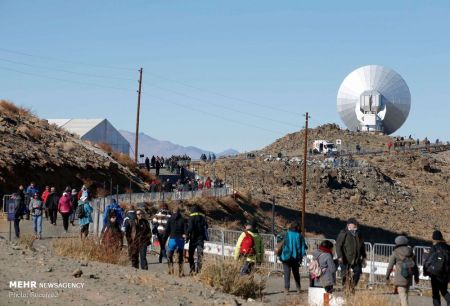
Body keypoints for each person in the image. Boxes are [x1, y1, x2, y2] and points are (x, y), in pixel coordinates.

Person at [385, 236, 419, 306]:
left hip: (400, 278)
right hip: (409, 277)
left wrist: (387, 276)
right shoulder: (411, 252)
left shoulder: (395, 252)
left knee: (403, 297)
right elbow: (415, 266)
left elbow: (390, 266)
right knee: (404, 296)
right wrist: (416, 277)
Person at [335, 218, 366, 291]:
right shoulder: (344, 233)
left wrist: (363, 255)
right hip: (345, 258)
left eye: (356, 224)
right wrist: (340, 256)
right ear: (348, 225)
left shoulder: (358, 234)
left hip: (356, 259)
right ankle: (346, 288)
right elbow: (338, 245)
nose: (355, 225)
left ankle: (352, 286)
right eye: (354, 224)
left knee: (358, 272)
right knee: (345, 274)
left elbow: (362, 245)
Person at [279, 222, 307, 294]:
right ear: (297, 228)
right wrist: (301, 257)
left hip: (286, 256)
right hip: (295, 257)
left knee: (286, 273)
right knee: (296, 273)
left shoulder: (286, 234)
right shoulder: (300, 236)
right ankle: (298, 288)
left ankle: (286, 289)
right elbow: (303, 248)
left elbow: (279, 239)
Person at [424, 230, 450, 306]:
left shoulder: (434, 248)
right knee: (444, 291)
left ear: (433, 238)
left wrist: (426, 271)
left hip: (435, 275)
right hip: (445, 274)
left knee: (435, 293)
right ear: (441, 237)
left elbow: (428, 261)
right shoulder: (448, 247)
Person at [164, 209, 187, 276]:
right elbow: (186, 230)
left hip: (172, 239)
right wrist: (185, 236)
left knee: (169, 255)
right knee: (180, 256)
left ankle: (171, 270)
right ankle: (180, 272)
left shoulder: (170, 219)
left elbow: (166, 231)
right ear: (179, 212)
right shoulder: (183, 219)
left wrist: (164, 240)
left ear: (172, 212)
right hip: (180, 240)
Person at [187, 205, 209, 274]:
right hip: (200, 239)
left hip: (193, 239)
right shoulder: (203, 217)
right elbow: (206, 226)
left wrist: (186, 234)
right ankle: (199, 270)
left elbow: (190, 228)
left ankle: (192, 268)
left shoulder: (191, 217)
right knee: (200, 255)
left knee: (191, 254)